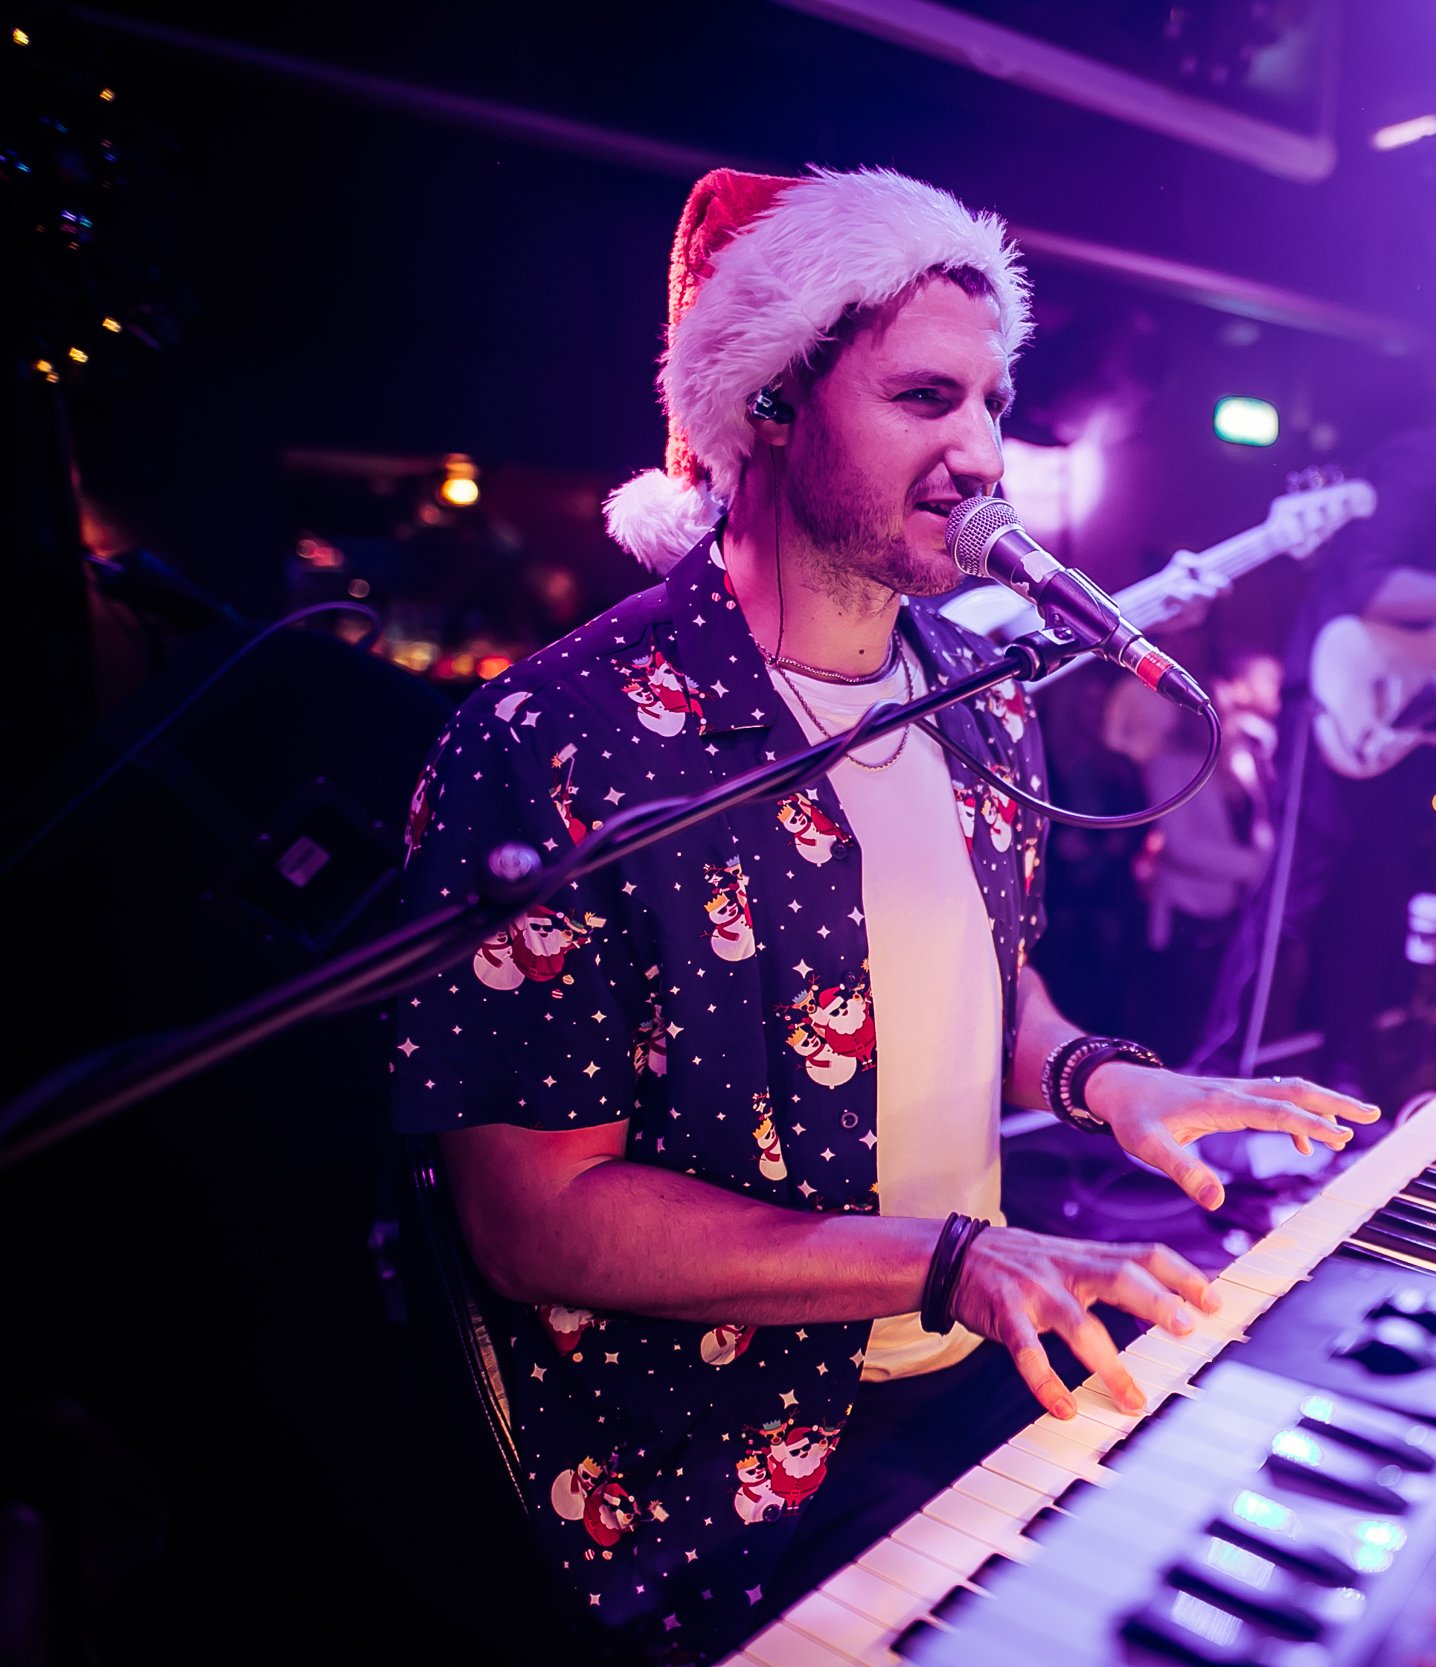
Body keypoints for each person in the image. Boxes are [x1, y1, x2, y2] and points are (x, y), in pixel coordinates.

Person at [392, 166, 1375, 1662]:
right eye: (927, 398)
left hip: (971, 1364)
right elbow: (529, 1218)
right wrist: (947, 1254)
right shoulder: (560, 738)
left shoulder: (979, 705)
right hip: (714, 1474)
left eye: (993, 401)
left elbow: (987, 989)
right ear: (773, 398)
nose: (982, 452)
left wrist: (1109, 1077)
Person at [1190, 362, 1436, 1097]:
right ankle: (1214, 1073)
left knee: (1371, 898)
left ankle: (1340, 1078)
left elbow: (1424, 639)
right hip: (1336, 698)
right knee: (1293, 895)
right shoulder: (1430, 458)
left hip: (1392, 718)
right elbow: (1367, 587)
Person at [1126, 647, 1282, 1059]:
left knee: (1223, 1016)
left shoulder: (1243, 757)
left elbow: (1261, 822)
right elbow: (1182, 846)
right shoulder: (1168, 763)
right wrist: (1257, 867)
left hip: (1237, 910)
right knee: (1178, 1020)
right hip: (1187, 912)